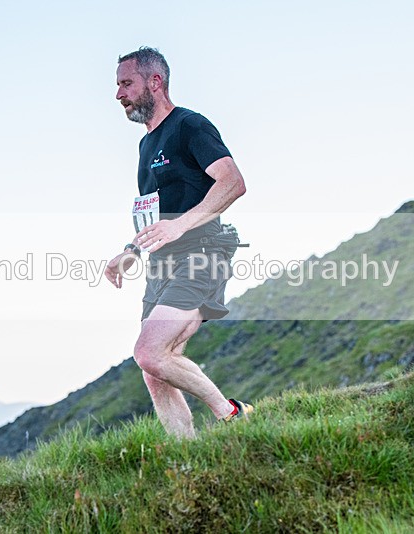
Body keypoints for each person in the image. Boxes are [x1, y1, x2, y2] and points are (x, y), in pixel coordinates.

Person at [104, 46, 253, 439]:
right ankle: (186, 456)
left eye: (126, 83)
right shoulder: (145, 145)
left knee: (149, 352)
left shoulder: (191, 126)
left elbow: (233, 182)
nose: (119, 94)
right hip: (162, 261)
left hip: (203, 252)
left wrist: (182, 226)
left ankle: (230, 412)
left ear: (156, 82)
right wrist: (132, 251)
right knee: (154, 367)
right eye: (117, 85)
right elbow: (153, 213)